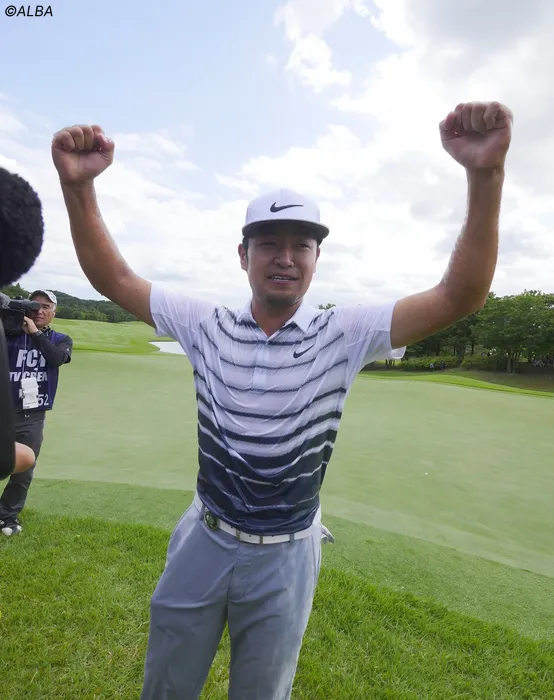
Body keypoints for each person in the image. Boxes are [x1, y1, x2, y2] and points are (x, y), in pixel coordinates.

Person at [51, 100, 512, 699]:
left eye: (301, 245)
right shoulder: (205, 323)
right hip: (204, 536)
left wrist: (485, 174)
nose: (285, 258)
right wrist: (78, 188)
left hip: (287, 555)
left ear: (318, 259)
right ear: (243, 255)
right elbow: (112, 278)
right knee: (166, 686)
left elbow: (460, 294)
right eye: (268, 243)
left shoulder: (344, 332)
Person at [0, 290, 73, 536]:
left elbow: (56, 359)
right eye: (35, 306)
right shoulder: (8, 334)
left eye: (46, 307)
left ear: (54, 312)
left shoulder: (60, 339)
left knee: (23, 471)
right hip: (4, 411)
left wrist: (34, 332)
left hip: (33, 415)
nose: (40, 311)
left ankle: (6, 516)